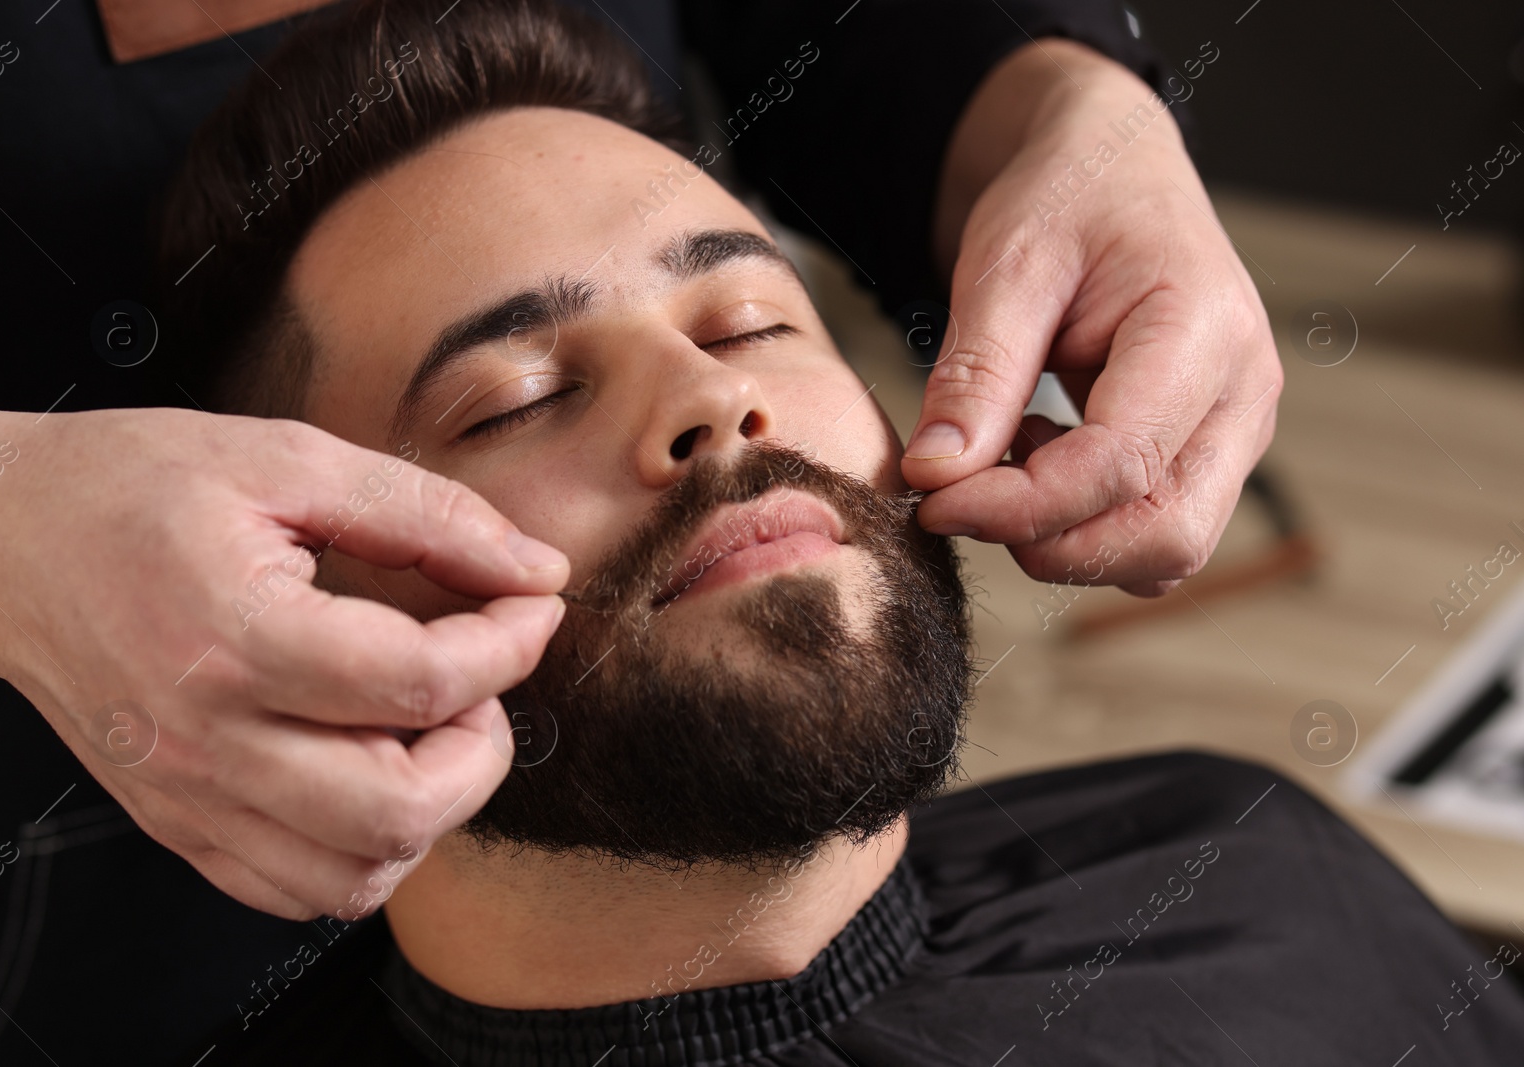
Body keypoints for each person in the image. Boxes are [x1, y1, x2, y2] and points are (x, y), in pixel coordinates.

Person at [135, 3, 1514, 1062]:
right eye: (515, 399)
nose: (715, 399)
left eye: (748, 318)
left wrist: (1075, 100)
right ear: (293, 589)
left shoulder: (1244, 876)